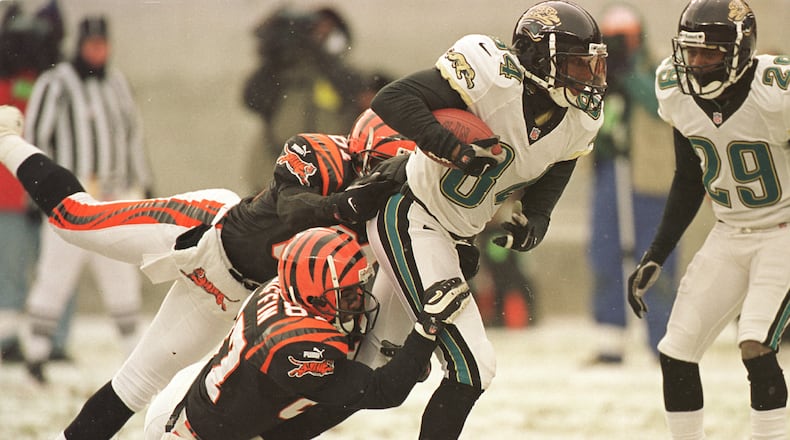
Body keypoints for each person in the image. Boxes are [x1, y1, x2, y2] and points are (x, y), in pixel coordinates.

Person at [0, 104, 413, 439]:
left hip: (235, 299)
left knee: (137, 383)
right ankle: (6, 140)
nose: (382, 180)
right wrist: (348, 203)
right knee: (75, 219)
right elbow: (292, 208)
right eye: (379, 166)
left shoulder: (389, 211)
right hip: (208, 236)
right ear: (360, 150)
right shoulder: (319, 154)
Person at [349, 1, 608, 437]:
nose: (589, 76)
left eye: (592, 64)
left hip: (454, 236)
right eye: (576, 64)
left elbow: (563, 160)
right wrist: (451, 148)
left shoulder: (580, 120)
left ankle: (275, 420)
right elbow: (391, 99)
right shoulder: (491, 77)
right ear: (539, 59)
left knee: (367, 364)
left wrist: (538, 215)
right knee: (472, 365)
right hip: (414, 213)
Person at [626, 1, 790, 438]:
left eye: (709, 52)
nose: (697, 63)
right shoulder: (676, 90)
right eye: (691, 51)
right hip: (729, 231)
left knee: (755, 342)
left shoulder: (777, 91)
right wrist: (657, 252)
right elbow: (688, 178)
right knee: (676, 350)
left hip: (783, 230)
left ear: (740, 51)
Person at [143, 226, 472, 440]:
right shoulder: (297, 347)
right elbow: (384, 392)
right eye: (348, 295)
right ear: (314, 296)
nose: (359, 301)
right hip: (193, 430)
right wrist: (426, 328)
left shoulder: (290, 289)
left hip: (213, 401)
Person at [18, 15, 154, 383]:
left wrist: (144, 182)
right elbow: (36, 139)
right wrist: (35, 193)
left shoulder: (117, 82)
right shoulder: (55, 83)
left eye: (102, 45)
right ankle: (35, 355)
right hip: (68, 201)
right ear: (79, 46)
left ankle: (135, 358)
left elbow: (132, 135)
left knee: (121, 276)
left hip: (111, 200)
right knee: (55, 275)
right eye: (91, 45)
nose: (97, 51)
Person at [587, 2, 677, 364]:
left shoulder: (659, 66)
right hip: (611, 172)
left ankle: (661, 340)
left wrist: (629, 75)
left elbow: (661, 106)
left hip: (651, 178)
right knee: (604, 253)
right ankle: (610, 340)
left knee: (655, 258)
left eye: (622, 39)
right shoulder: (596, 71)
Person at [0, 0, 67, 362]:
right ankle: (8, 337)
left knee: (54, 271)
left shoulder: (51, 81)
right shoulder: (15, 81)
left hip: (44, 193)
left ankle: (52, 340)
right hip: (10, 194)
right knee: (11, 270)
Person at [243, 6, 368, 191]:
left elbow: (361, 95)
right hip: (273, 176)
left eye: (327, 30)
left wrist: (319, 54)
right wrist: (272, 52)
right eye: (316, 30)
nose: (321, 35)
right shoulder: (281, 76)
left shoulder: (345, 77)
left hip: (328, 178)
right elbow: (252, 99)